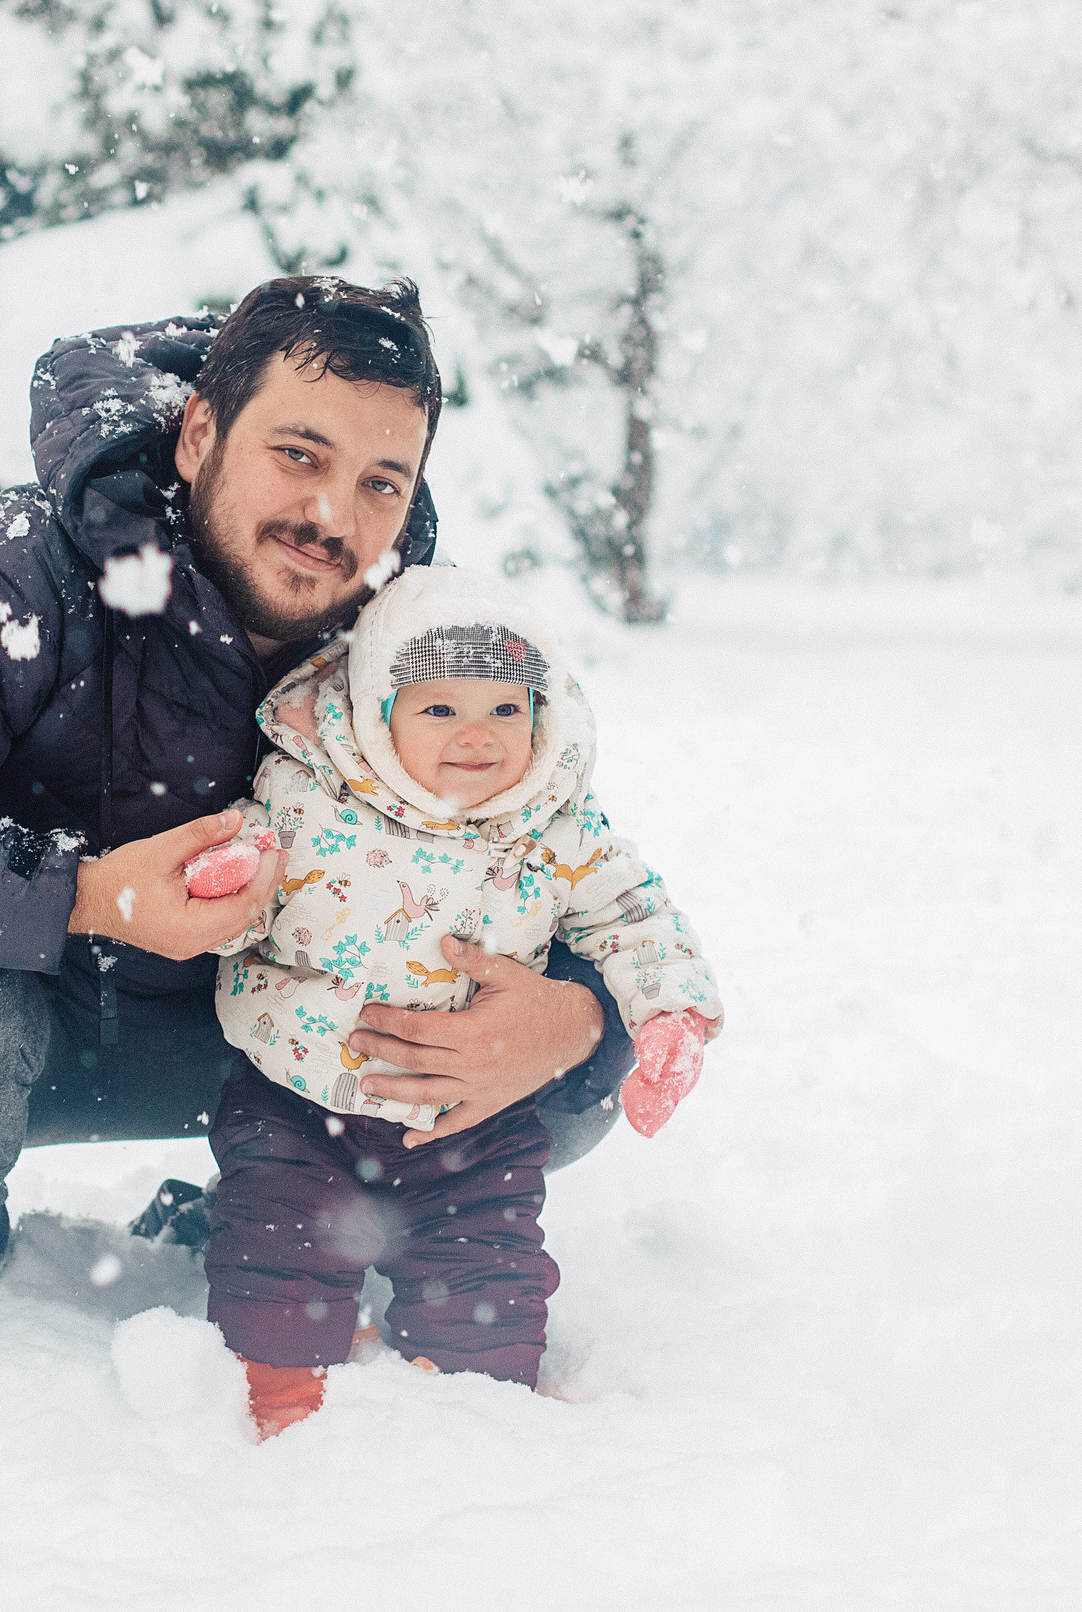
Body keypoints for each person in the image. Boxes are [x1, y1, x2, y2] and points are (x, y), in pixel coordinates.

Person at [0, 277, 639, 1311]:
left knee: (557, 1066)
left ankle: (281, 1207)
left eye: (382, 482)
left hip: (278, 1040)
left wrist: (582, 1023)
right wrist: (88, 896)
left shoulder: (420, 637)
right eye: (298, 455)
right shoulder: (21, 572)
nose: (334, 516)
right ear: (199, 435)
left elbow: (577, 871)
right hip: (23, 1019)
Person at [199, 566, 723, 1433]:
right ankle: (279, 1404)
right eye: (440, 708)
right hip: (297, 1106)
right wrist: (222, 884)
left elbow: (634, 915)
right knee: (276, 1261)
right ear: (376, 713)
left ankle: (472, 1413)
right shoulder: (308, 793)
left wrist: (670, 1012)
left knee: (490, 1287)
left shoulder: (557, 822)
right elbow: (237, 885)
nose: (477, 735)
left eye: (505, 709)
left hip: (474, 1123)